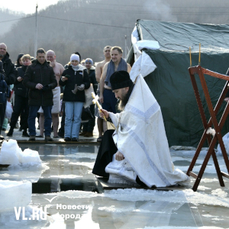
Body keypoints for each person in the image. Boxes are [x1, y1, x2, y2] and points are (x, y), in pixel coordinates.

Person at [93, 71, 190, 188]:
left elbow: (136, 131)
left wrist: (123, 150)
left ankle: (136, 175)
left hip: (147, 149)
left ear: (126, 88)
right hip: (140, 143)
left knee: (110, 137)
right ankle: (103, 172)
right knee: (109, 135)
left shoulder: (137, 104)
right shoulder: (136, 98)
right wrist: (109, 115)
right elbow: (127, 120)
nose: (116, 96)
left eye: (117, 92)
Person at [23, 48, 57, 141]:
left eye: (43, 57)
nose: (42, 59)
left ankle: (47, 135)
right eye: (40, 57)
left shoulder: (49, 68)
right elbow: (25, 81)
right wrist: (35, 85)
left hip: (47, 95)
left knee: (48, 116)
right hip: (34, 95)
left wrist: (48, 86)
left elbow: (54, 82)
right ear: (37, 57)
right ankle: (32, 134)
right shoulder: (31, 67)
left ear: (45, 57)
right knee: (32, 116)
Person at [99, 46, 131, 133]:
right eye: (112, 54)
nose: (113, 56)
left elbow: (130, 81)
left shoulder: (127, 66)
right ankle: (107, 134)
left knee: (118, 115)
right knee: (106, 115)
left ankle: (118, 134)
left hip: (120, 94)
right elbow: (102, 80)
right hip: (108, 92)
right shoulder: (107, 65)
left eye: (115, 55)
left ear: (121, 55)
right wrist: (101, 94)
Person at [59, 54, 90, 141]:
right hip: (68, 97)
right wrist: (62, 80)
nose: (74, 63)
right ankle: (67, 135)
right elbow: (61, 83)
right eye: (73, 61)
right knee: (68, 117)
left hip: (79, 97)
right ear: (70, 61)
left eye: (76, 61)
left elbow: (88, 82)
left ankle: (75, 135)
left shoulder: (83, 71)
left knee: (77, 117)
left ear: (79, 61)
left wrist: (83, 86)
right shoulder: (67, 71)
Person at [38, 50, 64, 138]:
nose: (49, 58)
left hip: (56, 89)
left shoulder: (60, 66)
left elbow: (64, 78)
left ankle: (55, 133)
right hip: (44, 90)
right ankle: (41, 132)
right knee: (42, 113)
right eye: (47, 57)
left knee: (55, 113)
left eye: (51, 56)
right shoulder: (43, 66)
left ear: (54, 57)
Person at [7, 54, 31, 137]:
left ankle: (25, 130)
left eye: (27, 60)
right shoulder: (18, 70)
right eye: (24, 61)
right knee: (16, 111)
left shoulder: (31, 70)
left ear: (30, 61)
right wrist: (17, 80)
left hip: (28, 94)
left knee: (26, 113)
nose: (25, 62)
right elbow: (14, 81)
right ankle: (11, 129)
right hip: (19, 93)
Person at [95, 45, 111, 142]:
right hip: (102, 90)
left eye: (109, 50)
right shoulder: (100, 65)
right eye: (106, 51)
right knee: (99, 113)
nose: (108, 52)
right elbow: (98, 78)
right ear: (103, 52)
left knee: (110, 113)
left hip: (112, 90)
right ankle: (100, 134)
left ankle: (108, 133)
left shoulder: (115, 64)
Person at [80, 58, 97, 137]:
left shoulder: (94, 72)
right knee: (85, 112)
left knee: (91, 113)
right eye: (86, 63)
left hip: (91, 95)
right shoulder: (83, 71)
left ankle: (90, 130)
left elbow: (95, 84)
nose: (87, 64)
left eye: (89, 63)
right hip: (84, 95)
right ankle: (85, 129)